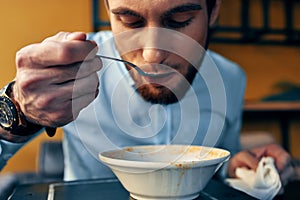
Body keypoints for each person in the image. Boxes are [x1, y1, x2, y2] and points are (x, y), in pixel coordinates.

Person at [0, 0, 295, 188]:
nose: (153, 53)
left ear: (213, 10)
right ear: (108, 10)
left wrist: (238, 165)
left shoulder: (230, 78)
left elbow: (218, 161)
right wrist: (18, 110)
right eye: (130, 22)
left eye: (179, 22)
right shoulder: (71, 69)